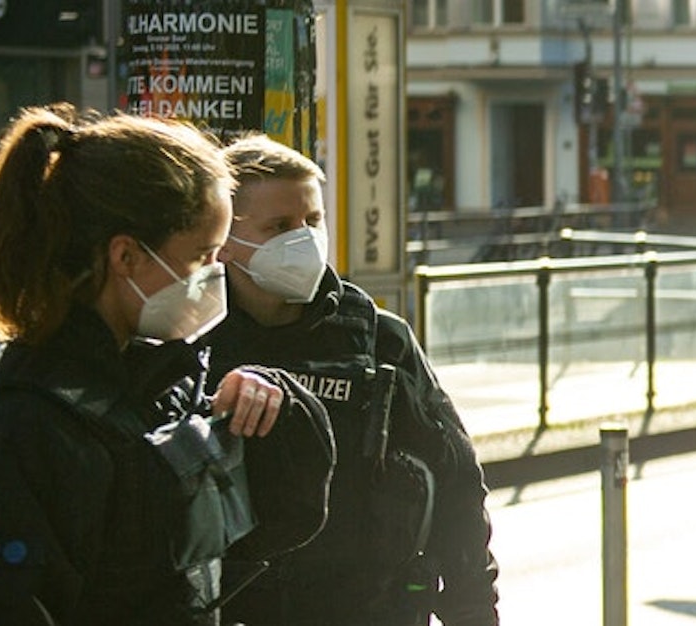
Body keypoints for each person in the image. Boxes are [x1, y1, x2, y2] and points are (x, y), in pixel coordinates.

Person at [0, 106, 335, 624]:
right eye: (203, 255)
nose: (217, 273)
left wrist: (277, 409)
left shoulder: (158, 380)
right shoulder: (16, 427)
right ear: (126, 257)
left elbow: (236, 547)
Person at [203, 135, 501, 625]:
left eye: (312, 221)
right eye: (278, 226)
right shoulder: (193, 343)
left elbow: (457, 481)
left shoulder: (376, 340)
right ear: (226, 240)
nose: (302, 239)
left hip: (366, 607)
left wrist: (473, 611)